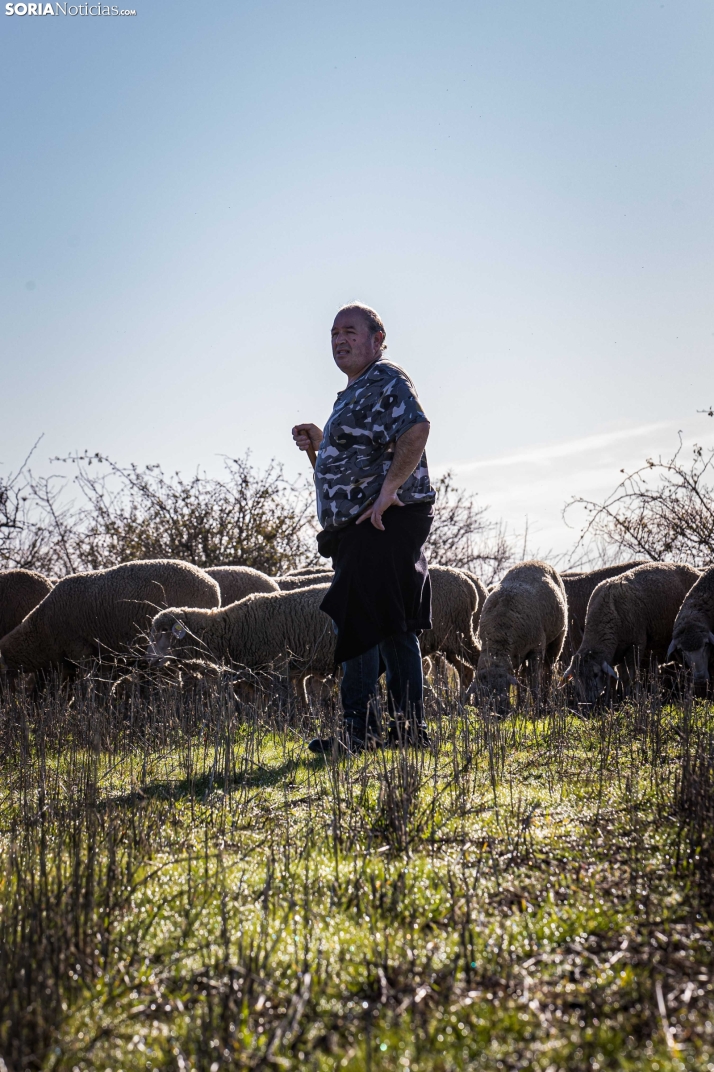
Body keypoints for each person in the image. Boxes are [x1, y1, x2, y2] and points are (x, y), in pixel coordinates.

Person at [292, 302, 435, 753]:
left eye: (350, 331)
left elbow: (416, 429)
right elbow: (354, 461)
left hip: (381, 523)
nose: (339, 339)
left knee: (358, 623)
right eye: (334, 333)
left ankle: (359, 733)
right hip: (365, 526)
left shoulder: (386, 378)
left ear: (377, 338)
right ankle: (407, 732)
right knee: (392, 625)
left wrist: (389, 491)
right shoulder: (354, 392)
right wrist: (321, 444)